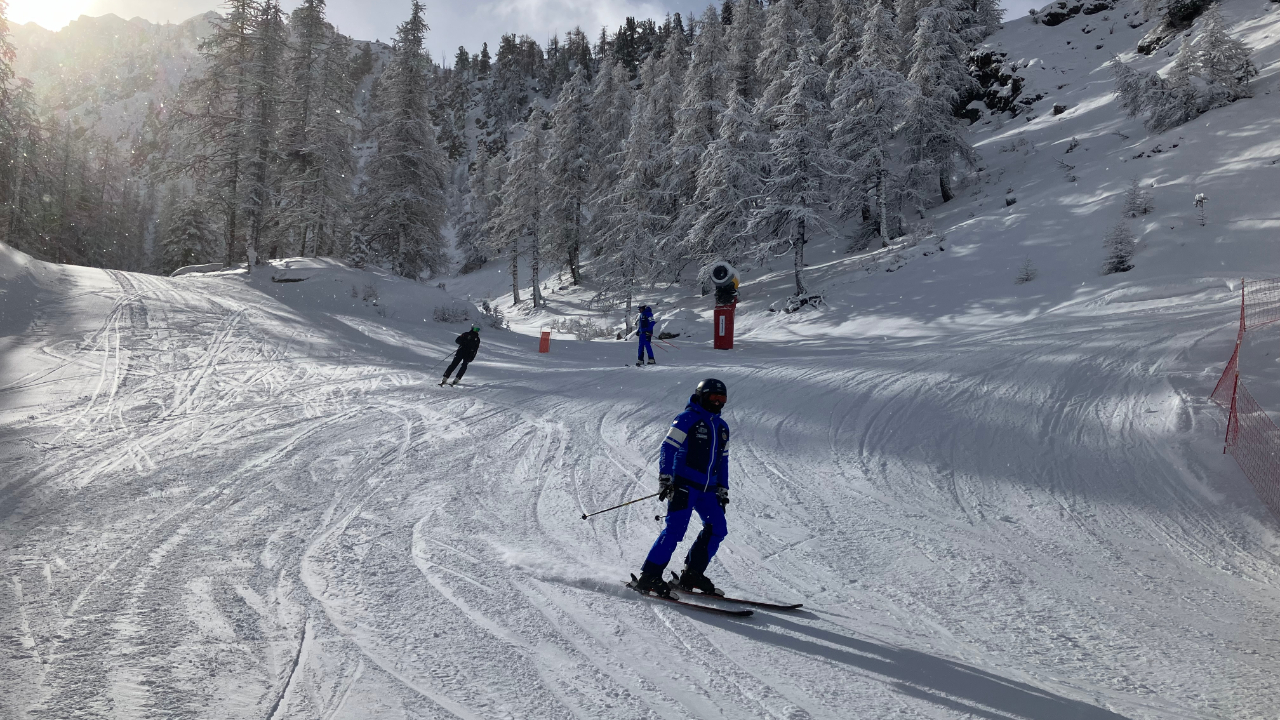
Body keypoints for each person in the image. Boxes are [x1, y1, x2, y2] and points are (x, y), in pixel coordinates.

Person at [633, 378, 730, 597]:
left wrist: (723, 488)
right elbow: (668, 447)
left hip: (709, 490)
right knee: (675, 530)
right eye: (714, 397)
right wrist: (666, 478)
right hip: (684, 485)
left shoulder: (722, 427)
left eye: (722, 398)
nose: (718, 402)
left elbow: (723, 460)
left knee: (718, 528)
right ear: (703, 395)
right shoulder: (687, 419)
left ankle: (693, 573)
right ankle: (649, 576)